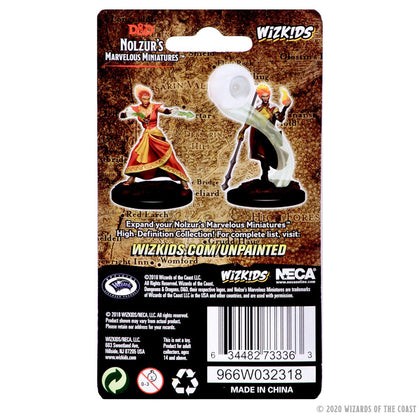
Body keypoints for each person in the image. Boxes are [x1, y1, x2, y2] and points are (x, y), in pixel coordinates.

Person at [119, 85, 190, 190]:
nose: (146, 101)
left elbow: (165, 111)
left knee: (169, 157)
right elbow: (123, 115)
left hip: (156, 135)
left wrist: (174, 111)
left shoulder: (154, 107)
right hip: (146, 136)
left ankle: (183, 179)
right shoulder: (136, 109)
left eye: (148, 99)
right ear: (140, 99)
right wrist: (127, 114)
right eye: (144, 99)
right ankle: (132, 178)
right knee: (136, 155)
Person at [237, 84, 292, 184]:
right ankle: (265, 175)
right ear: (260, 97)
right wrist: (242, 131)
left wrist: (285, 108)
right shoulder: (257, 109)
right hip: (259, 136)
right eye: (263, 96)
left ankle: (266, 174)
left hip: (270, 136)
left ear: (269, 96)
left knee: (271, 156)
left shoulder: (273, 108)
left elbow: (279, 118)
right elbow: (250, 121)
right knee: (262, 157)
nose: (265, 98)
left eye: (267, 96)